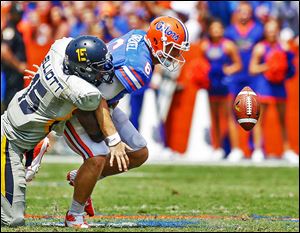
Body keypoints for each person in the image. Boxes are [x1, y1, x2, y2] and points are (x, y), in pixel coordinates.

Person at [25, 16, 189, 228]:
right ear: (159, 42)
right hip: (78, 103)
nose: (177, 55)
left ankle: (82, 178)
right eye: (174, 48)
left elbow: (103, 94)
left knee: (139, 152)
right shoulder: (139, 66)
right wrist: (113, 139)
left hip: (98, 98)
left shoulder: (140, 36)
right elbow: (95, 98)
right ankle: (74, 214)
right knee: (97, 156)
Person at [0, 35, 125, 227]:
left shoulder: (59, 49)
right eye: (97, 68)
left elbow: (69, 49)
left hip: (21, 122)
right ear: (82, 69)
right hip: (8, 142)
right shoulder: (83, 91)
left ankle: (36, 147)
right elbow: (96, 117)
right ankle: (32, 150)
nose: (102, 72)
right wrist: (114, 140)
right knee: (12, 219)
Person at [249, 19, 298, 163]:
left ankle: (287, 150)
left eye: (274, 29)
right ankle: (258, 150)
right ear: (265, 32)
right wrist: (268, 66)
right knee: (259, 120)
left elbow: (291, 71)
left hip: (279, 87)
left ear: (278, 31)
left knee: (282, 120)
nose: (271, 32)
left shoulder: (284, 47)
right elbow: (252, 69)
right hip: (264, 87)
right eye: (269, 30)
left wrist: (286, 57)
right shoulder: (260, 48)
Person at [224, 1, 264, 162]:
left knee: (255, 112)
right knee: (233, 113)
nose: (244, 14)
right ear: (237, 12)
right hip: (235, 77)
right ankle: (235, 148)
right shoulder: (229, 31)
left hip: (254, 77)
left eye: (247, 11)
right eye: (242, 11)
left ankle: (257, 149)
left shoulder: (259, 30)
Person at [200, 19, 242, 160]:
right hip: (212, 85)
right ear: (210, 31)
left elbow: (238, 64)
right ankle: (217, 148)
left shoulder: (228, 45)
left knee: (229, 116)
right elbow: (202, 65)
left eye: (219, 28)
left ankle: (235, 149)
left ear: (222, 30)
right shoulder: (205, 46)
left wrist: (228, 70)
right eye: (214, 28)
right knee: (215, 117)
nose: (216, 31)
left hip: (226, 85)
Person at [1, 2, 27, 114]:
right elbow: (4, 51)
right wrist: (18, 65)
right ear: (10, 14)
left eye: (20, 14)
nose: (19, 16)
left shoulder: (15, 29)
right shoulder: (9, 30)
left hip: (15, 76)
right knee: (10, 104)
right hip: (11, 74)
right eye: (17, 14)